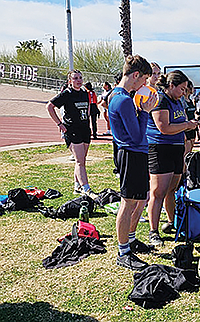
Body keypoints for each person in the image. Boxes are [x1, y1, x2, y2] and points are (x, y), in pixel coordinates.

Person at [108, 54, 157, 271]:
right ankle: (123, 251)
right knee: (128, 203)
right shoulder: (123, 99)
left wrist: (140, 112)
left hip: (135, 153)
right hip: (130, 154)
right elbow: (136, 136)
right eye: (144, 79)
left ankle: (131, 239)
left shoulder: (121, 97)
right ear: (135, 75)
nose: (145, 85)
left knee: (139, 200)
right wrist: (145, 112)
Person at [146, 70, 198, 247]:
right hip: (160, 149)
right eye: (181, 89)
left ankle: (171, 222)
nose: (183, 93)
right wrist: (187, 125)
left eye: (185, 90)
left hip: (176, 149)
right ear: (171, 85)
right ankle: (153, 231)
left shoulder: (178, 101)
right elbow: (164, 127)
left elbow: (177, 127)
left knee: (172, 190)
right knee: (158, 192)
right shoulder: (161, 99)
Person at [46, 70, 96, 198]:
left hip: (84, 129)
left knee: (81, 161)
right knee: (80, 161)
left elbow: (88, 109)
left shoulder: (85, 93)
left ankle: (77, 186)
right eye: (75, 78)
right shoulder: (66, 94)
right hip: (72, 130)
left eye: (80, 78)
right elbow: (50, 107)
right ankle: (86, 188)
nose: (78, 80)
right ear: (70, 81)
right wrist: (59, 124)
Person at [183, 80, 197, 158]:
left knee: (190, 150)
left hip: (192, 127)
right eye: (192, 87)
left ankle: (187, 168)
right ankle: (183, 169)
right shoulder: (182, 100)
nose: (193, 89)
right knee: (186, 152)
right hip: (187, 127)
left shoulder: (190, 100)